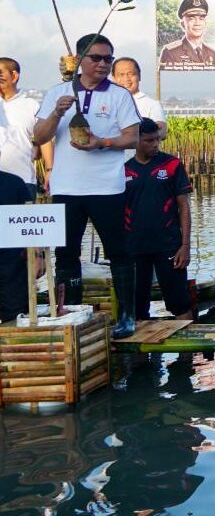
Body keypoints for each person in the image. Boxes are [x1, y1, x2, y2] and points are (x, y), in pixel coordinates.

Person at [32, 33, 140, 336]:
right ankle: (72, 313)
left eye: (108, 58)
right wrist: (57, 113)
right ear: (79, 60)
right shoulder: (58, 92)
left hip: (108, 187)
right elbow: (39, 137)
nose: (103, 64)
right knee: (66, 253)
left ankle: (127, 317)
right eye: (96, 58)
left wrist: (102, 142)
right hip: (67, 188)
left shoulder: (119, 95)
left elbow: (132, 137)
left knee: (119, 253)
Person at [125, 118, 193, 325]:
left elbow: (184, 206)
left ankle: (189, 342)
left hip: (169, 245)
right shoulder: (123, 170)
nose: (155, 144)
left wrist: (185, 245)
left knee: (179, 302)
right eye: (149, 140)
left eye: (157, 139)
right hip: (135, 247)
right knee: (136, 306)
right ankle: (139, 345)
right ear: (136, 141)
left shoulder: (172, 165)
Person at [0, 57, 52, 199]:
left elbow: (45, 138)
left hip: (23, 179)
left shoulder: (31, 105)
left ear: (14, 76)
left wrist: (49, 170)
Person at [0, 148, 41, 322]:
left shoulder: (15, 183)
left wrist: (38, 256)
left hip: (12, 265)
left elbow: (33, 223)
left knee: (16, 318)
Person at [112, 56, 167, 139]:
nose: (126, 79)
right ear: (114, 78)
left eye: (131, 74)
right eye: (121, 74)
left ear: (139, 76)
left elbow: (161, 132)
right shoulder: (107, 102)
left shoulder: (152, 104)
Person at [160, 0, 215, 68]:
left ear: (205, 23)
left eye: (201, 18)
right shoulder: (171, 52)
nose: (197, 23)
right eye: (191, 18)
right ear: (183, 24)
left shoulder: (212, 53)